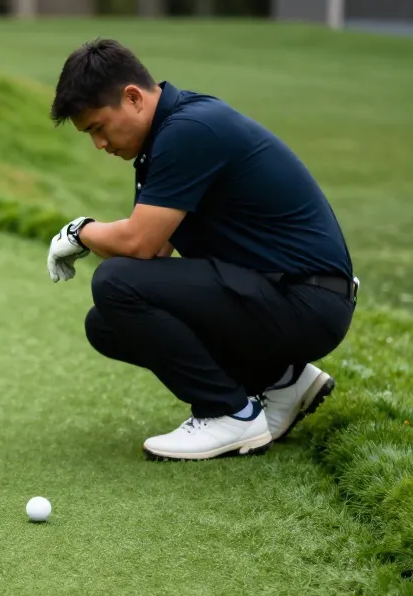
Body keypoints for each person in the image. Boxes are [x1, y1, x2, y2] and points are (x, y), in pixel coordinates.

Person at [46, 39, 356, 461]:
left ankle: (229, 414)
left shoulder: (189, 130)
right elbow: (154, 255)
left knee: (116, 282)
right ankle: (284, 381)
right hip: (290, 296)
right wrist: (93, 234)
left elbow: (140, 244)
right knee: (107, 324)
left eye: (98, 127)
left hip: (308, 300)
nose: (99, 144)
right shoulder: (170, 133)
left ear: (133, 97)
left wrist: (81, 231)